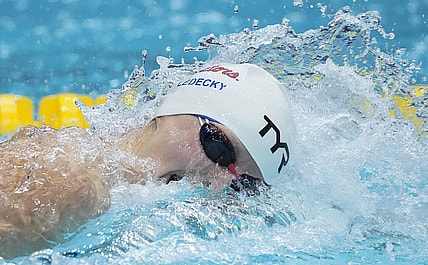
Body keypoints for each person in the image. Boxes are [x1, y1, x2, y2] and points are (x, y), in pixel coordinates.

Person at [0, 63, 294, 258]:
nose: (217, 186)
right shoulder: (74, 179)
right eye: (219, 150)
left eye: (243, 185)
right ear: (171, 112)